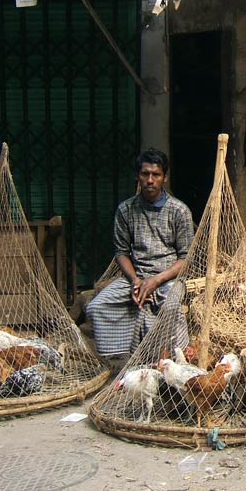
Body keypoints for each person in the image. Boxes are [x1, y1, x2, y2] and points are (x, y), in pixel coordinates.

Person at [86, 148, 195, 358]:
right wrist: (135, 280)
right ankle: (122, 359)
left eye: (156, 175)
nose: (150, 180)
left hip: (169, 278)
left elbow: (185, 258)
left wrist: (155, 281)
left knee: (171, 308)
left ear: (165, 177)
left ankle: (169, 359)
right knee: (97, 307)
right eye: (145, 174)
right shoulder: (126, 210)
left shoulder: (179, 211)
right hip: (134, 277)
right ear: (138, 176)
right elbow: (121, 252)